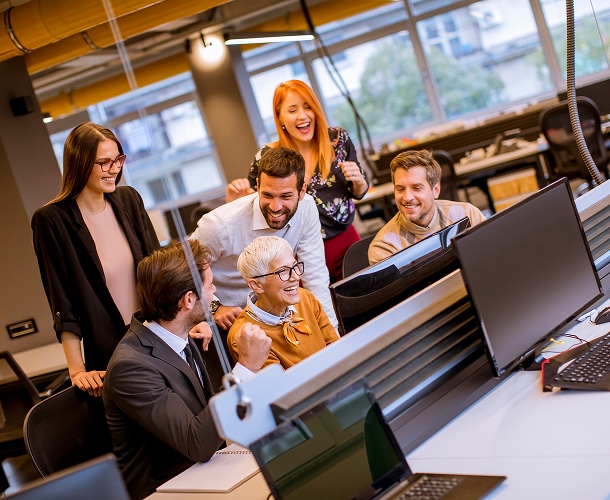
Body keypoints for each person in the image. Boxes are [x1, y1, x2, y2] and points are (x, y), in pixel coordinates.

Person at [102, 240, 271, 500]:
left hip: (205, 473)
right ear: (188, 300)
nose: (214, 293)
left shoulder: (176, 334)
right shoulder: (130, 367)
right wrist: (246, 369)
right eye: (209, 285)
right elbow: (196, 444)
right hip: (166, 490)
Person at [31, 122, 160, 397]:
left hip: (159, 337)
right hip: (111, 352)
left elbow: (160, 271)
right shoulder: (52, 220)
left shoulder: (129, 200)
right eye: (104, 163)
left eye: (118, 160)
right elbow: (62, 300)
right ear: (79, 164)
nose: (114, 169)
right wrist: (76, 370)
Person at [226, 79, 370, 282]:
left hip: (345, 243)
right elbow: (255, 212)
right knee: (314, 310)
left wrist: (359, 180)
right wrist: (234, 201)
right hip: (295, 255)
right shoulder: (267, 158)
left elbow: (360, 191)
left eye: (307, 107)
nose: (303, 116)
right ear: (280, 117)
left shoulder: (337, 140)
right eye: (292, 110)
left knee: (362, 298)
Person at [190, 146, 339, 331]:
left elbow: (315, 275)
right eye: (267, 195)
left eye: (285, 196)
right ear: (258, 186)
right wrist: (214, 307)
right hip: (230, 320)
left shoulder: (307, 208)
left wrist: (331, 331)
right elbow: (184, 270)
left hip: (277, 312)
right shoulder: (220, 225)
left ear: (302, 191)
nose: (275, 207)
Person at [228, 236, 338, 369]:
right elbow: (283, 385)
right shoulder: (246, 336)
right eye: (283, 271)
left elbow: (335, 346)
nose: (296, 277)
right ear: (257, 285)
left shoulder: (305, 298)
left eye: (295, 266)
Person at [368, 150, 486, 265]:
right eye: (400, 189)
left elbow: (492, 254)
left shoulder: (466, 214)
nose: (407, 197)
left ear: (436, 190)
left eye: (416, 187)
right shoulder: (384, 247)